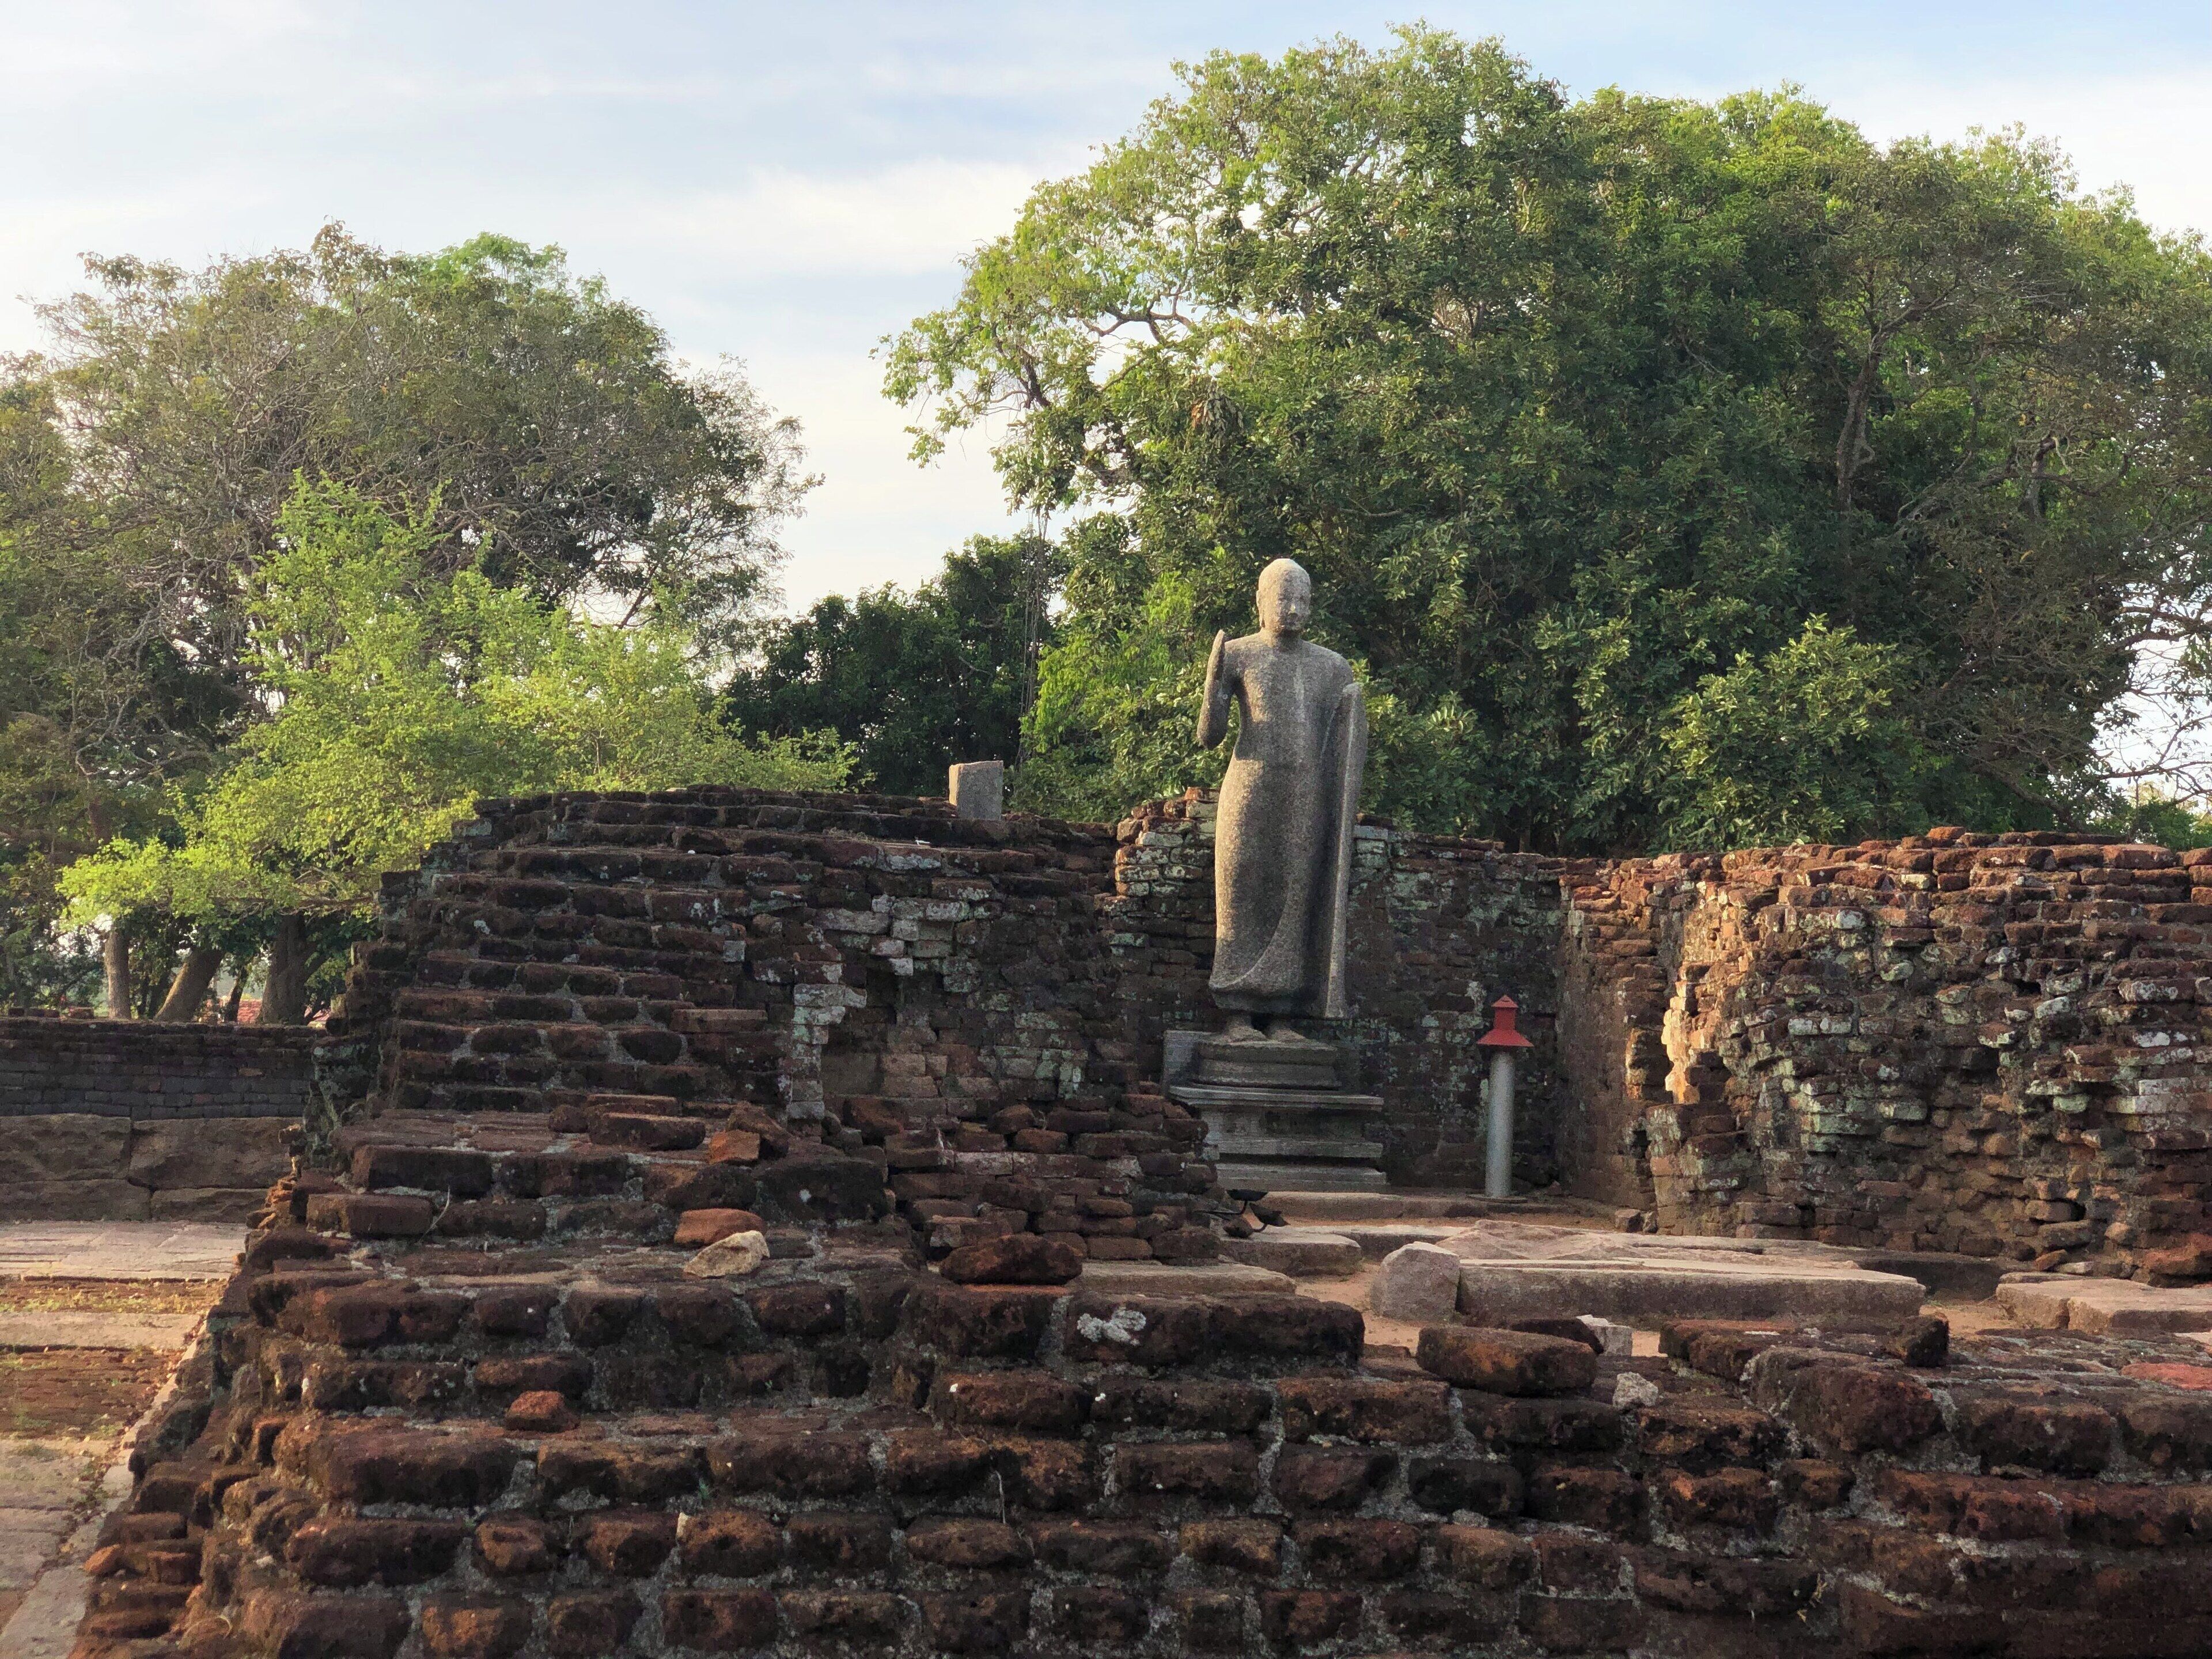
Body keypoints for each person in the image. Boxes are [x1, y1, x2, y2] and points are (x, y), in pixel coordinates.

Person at [1196, 558, 1368, 1040]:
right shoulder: (1240, 654)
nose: (1292, 610)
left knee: (1296, 896)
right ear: (1260, 603)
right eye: (1282, 600)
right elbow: (1209, 737)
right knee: (1242, 894)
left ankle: (1284, 1013)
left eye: (1302, 601)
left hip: (1305, 793)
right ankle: (1238, 1012)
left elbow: (1346, 740)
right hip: (1249, 788)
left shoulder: (1332, 668)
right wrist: (1213, 682)